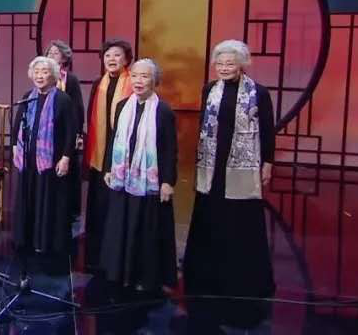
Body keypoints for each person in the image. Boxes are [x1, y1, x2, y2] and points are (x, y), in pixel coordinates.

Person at [183, 40, 276, 301]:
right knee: (210, 214)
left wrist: (267, 163)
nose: (224, 68)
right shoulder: (209, 90)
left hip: (243, 164)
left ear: (242, 64)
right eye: (220, 63)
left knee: (240, 217)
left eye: (230, 63)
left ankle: (242, 275)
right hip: (212, 163)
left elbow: (268, 130)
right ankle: (205, 272)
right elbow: (204, 126)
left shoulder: (259, 93)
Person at [100, 59, 177, 293]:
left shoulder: (163, 110)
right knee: (120, 224)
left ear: (154, 80)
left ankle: (144, 277)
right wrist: (108, 168)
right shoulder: (123, 105)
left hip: (148, 182)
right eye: (134, 76)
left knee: (145, 229)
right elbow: (113, 139)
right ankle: (118, 273)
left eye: (144, 76)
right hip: (122, 177)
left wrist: (167, 181)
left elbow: (169, 149)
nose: (138, 81)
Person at [11, 56, 79, 256]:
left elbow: (71, 131)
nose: (40, 76)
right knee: (27, 198)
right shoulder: (28, 96)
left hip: (51, 161)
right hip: (28, 158)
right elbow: (17, 123)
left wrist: (66, 157)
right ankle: (25, 238)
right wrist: (14, 146)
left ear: (54, 75)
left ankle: (44, 241)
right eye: (36, 72)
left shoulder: (62, 99)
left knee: (47, 201)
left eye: (44, 72)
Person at [83, 39, 134, 272]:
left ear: (126, 59)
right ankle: (96, 254)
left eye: (117, 55)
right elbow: (90, 117)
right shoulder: (98, 83)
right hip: (99, 148)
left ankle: (116, 253)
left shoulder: (133, 82)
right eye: (107, 56)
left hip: (122, 149)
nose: (112, 59)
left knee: (116, 201)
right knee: (98, 202)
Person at [46, 40, 85, 221]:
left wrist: (77, 133)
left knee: (68, 169)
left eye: (55, 53)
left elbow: (78, 108)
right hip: (47, 133)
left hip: (66, 131)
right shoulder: (43, 77)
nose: (51, 55)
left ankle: (70, 211)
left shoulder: (71, 79)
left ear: (64, 58)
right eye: (49, 52)